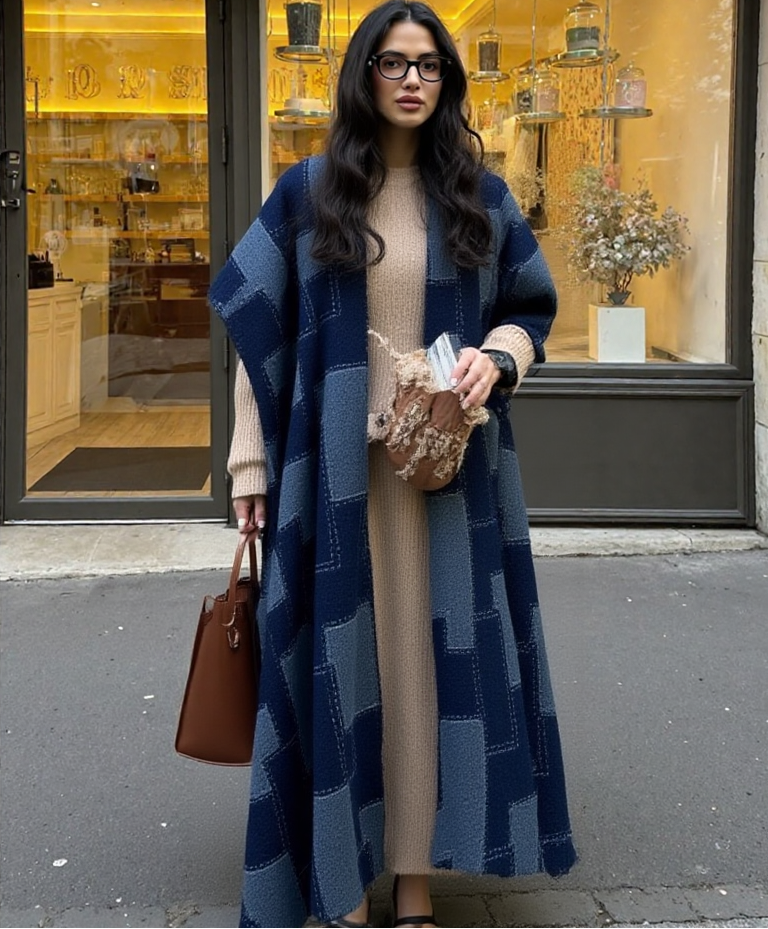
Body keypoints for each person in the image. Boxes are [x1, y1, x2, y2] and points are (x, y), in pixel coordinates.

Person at [209, 2, 577, 926]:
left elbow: (530, 308)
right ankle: (343, 882)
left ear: (446, 81)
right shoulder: (310, 191)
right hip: (336, 480)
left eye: (429, 65)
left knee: (428, 679)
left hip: (450, 476)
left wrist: (498, 358)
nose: (413, 80)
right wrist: (249, 467)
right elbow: (258, 328)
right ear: (363, 75)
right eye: (393, 62)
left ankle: (414, 881)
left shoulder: (479, 196)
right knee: (344, 667)